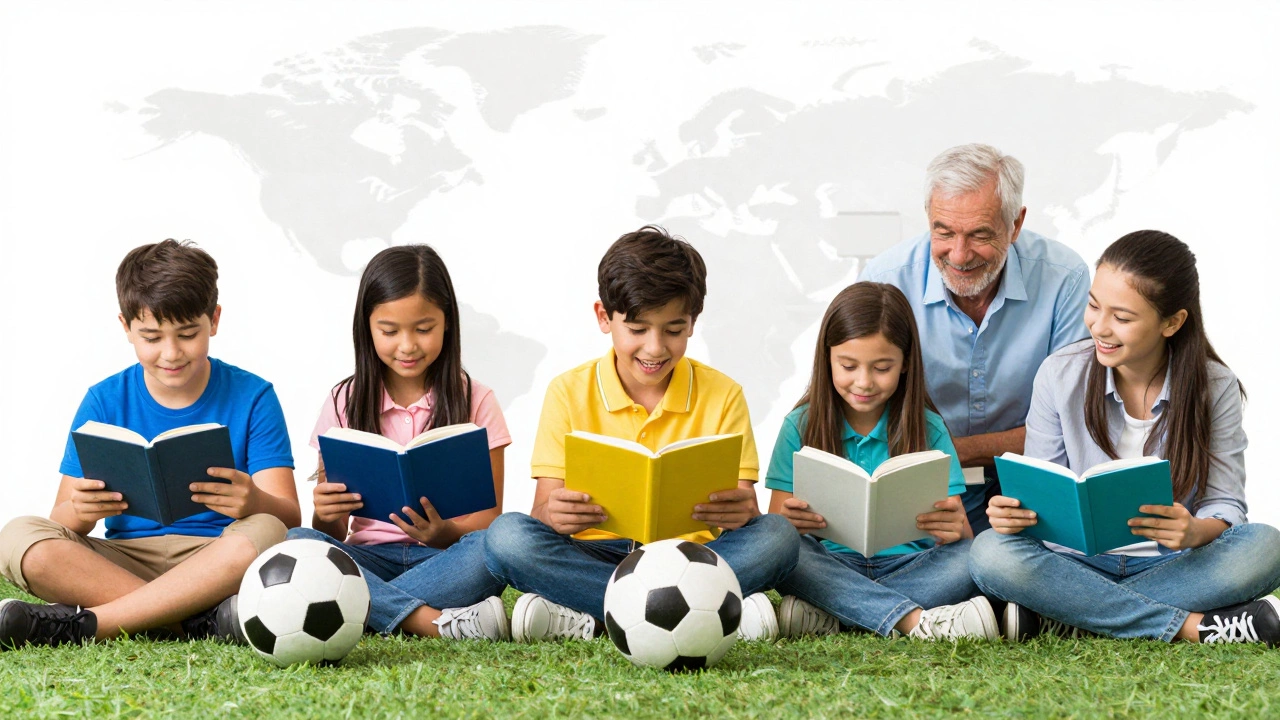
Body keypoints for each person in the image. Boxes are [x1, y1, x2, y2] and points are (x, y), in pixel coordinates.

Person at [483, 226, 799, 643]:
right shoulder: (568, 390)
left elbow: (744, 511)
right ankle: (707, 612)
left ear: (692, 324)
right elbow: (542, 510)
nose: (654, 348)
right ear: (604, 317)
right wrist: (553, 515)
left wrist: (742, 514)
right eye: (637, 329)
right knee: (507, 537)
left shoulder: (723, 394)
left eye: (672, 329)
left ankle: (589, 617)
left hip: (693, 558)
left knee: (778, 536)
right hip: (595, 553)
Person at [970, 230, 1280, 644]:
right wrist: (1015, 515)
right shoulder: (1060, 374)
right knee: (990, 552)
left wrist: (1195, 532)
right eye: (1094, 306)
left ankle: (1066, 616)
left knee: (1265, 546)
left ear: (1172, 322)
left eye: (1123, 317)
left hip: (1173, 563)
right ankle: (1194, 626)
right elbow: (1043, 489)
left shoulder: (1215, 385)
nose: (1099, 326)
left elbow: (1225, 502)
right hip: (1073, 564)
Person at [0, 239, 299, 648]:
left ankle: (88, 624)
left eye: (187, 334)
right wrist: (82, 510)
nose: (171, 353)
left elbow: (289, 517)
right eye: (152, 337)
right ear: (126, 328)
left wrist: (253, 503)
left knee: (267, 530)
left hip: (216, 559)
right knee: (18, 536)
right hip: (125, 559)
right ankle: (198, 622)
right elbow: (63, 521)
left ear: (214, 320)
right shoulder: (103, 400)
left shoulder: (253, 396)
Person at [860, 143, 1091, 533]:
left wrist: (951, 451)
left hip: (1031, 470)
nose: (960, 255)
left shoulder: (1064, 278)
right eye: (944, 232)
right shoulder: (888, 278)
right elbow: (861, 405)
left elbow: (1071, 425)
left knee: (1029, 559)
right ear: (928, 218)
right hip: (918, 474)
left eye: (980, 235)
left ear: (1015, 224)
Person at [286, 245, 511, 641]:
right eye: (389, 331)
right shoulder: (344, 402)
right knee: (298, 542)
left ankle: (364, 610)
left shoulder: (477, 400)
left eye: (423, 329)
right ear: (367, 328)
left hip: (445, 559)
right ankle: (431, 623)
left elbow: (488, 525)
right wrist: (323, 513)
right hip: (367, 558)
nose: (407, 345)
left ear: (447, 324)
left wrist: (441, 534)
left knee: (495, 551)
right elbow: (333, 532)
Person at [766, 282, 997, 641]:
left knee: (974, 555)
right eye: (848, 365)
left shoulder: (930, 429)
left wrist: (954, 531)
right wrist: (790, 523)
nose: (864, 382)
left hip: (912, 566)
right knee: (783, 549)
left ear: (905, 363)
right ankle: (914, 621)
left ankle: (832, 614)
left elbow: (960, 535)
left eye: (882, 367)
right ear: (827, 359)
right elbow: (779, 529)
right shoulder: (800, 425)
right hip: (831, 564)